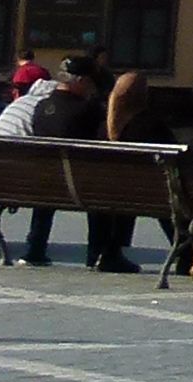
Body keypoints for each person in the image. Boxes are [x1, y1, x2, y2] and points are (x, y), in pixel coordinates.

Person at [15, 54, 103, 264]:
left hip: (42, 185)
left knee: (48, 177)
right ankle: (97, 254)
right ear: (81, 81)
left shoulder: (41, 107)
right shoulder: (88, 109)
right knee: (103, 186)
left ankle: (35, 249)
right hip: (79, 186)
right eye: (92, 83)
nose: (94, 89)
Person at [79, 71, 160, 274]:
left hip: (96, 191)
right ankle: (187, 255)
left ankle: (98, 253)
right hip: (141, 193)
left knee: (106, 190)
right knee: (172, 194)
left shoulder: (103, 127)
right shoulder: (149, 124)